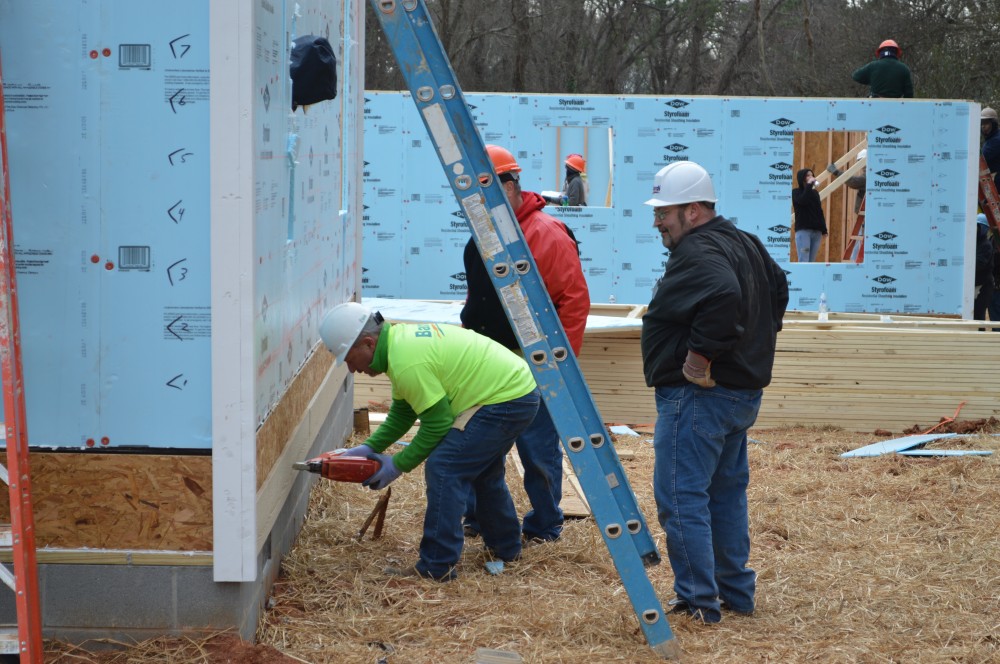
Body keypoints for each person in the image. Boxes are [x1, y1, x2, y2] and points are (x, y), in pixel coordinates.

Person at [640, 160, 789, 623]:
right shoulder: (742, 241)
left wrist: (700, 358)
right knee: (723, 495)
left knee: (682, 497)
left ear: (694, 210)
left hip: (700, 397)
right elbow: (779, 286)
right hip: (737, 395)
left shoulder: (699, 251)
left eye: (665, 211)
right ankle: (735, 595)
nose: (657, 221)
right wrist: (753, 342)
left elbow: (724, 295)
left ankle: (699, 603)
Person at [319, 302, 541, 580]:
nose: (351, 369)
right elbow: (403, 412)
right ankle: (506, 548)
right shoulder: (398, 346)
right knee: (483, 472)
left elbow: (437, 423)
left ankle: (437, 567)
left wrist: (398, 465)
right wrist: (371, 447)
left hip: (505, 399)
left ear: (367, 343)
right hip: (513, 392)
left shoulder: (406, 361)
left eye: (349, 359)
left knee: (445, 467)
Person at [461, 144, 590, 543]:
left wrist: (559, 367)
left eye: (490, 187)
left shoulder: (545, 234)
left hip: (534, 363)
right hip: (486, 360)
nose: (483, 199)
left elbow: (573, 301)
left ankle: (546, 524)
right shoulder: (484, 236)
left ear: (512, 184)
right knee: (479, 445)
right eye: (476, 191)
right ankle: (480, 518)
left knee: (537, 451)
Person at [791, 168, 829, 262]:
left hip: (816, 232)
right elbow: (803, 200)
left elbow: (819, 211)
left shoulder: (815, 193)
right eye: (808, 175)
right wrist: (808, 185)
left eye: (812, 175)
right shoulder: (796, 192)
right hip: (804, 231)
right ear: (802, 178)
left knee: (811, 261)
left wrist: (823, 229)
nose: (811, 177)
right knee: (804, 259)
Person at [975, 213, 995, 321]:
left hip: (984, 286)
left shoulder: (985, 245)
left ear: (983, 229)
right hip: (976, 285)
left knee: (978, 315)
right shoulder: (974, 243)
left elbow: (979, 264)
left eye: (978, 227)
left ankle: (979, 337)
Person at [982, 107, 1000, 191]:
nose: (983, 126)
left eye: (986, 123)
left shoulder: (996, 140)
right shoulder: (991, 138)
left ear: (993, 124)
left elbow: (982, 160)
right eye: (982, 123)